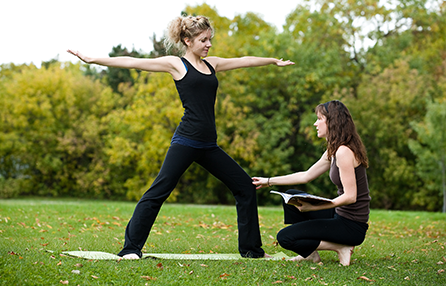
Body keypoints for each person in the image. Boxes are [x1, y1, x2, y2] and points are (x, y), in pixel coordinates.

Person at [68, 15, 294, 259]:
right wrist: (92, 59)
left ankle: (251, 250)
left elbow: (243, 61)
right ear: (187, 40)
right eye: (203, 40)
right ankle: (130, 249)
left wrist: (272, 61)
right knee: (158, 192)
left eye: (210, 39)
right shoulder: (176, 65)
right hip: (186, 141)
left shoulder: (212, 65)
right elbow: (134, 62)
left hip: (209, 145)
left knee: (245, 188)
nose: (208, 44)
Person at [252, 100, 370, 266]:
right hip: (339, 215)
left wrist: (316, 207)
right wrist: (269, 181)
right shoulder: (334, 150)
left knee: (285, 238)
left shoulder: (344, 152)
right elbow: (306, 175)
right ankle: (310, 254)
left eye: (319, 119)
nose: (315, 123)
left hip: (351, 226)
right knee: (292, 196)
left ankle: (341, 247)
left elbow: (351, 197)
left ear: (332, 121)